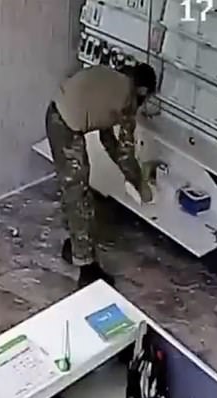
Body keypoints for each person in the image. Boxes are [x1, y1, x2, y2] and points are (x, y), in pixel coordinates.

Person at [45, 63, 157, 288]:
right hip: (67, 128)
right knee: (80, 198)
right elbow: (125, 154)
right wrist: (140, 183)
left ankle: (75, 246)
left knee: (71, 190)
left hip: (54, 114)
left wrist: (128, 172)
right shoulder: (127, 101)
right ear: (142, 91)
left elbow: (108, 139)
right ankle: (87, 270)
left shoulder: (111, 78)